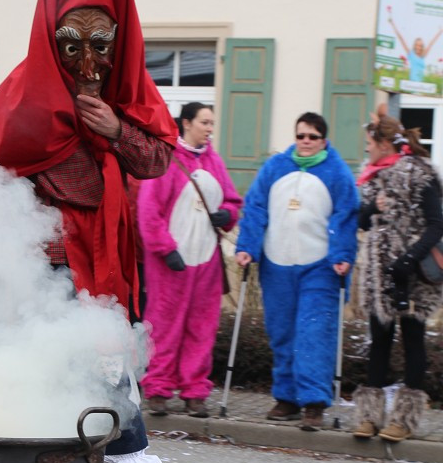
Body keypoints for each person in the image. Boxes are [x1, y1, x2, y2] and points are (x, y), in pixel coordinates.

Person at [0, 0, 227, 463]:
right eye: (71, 46)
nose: (88, 63)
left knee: (90, 373)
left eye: (101, 45)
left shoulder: (125, 94)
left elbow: (158, 159)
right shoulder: (20, 97)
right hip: (47, 267)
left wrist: (116, 130)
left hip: (104, 262)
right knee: (92, 370)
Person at [235, 112, 359, 431]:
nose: (306, 142)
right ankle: (287, 397)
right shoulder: (275, 167)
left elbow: (346, 214)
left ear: (324, 140)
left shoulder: (336, 171)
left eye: (312, 137)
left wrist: (343, 254)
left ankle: (314, 402)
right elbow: (255, 207)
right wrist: (247, 245)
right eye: (301, 136)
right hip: (277, 264)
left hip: (320, 267)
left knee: (314, 332)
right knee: (282, 331)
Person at [137, 102, 242, 417]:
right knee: (165, 325)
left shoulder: (215, 162)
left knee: (201, 327)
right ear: (186, 123)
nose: (210, 128)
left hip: (206, 260)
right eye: (205, 122)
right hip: (171, 261)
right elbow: (148, 210)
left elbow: (232, 201)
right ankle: (157, 389)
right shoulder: (166, 159)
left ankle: (195, 390)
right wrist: (165, 249)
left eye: (212, 122)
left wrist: (228, 214)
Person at [352, 107, 443, 442]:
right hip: (379, 275)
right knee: (378, 341)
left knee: (413, 342)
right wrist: (372, 208)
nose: (366, 149)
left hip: (414, 273)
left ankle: (403, 420)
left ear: (385, 143)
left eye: (369, 143)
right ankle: (369, 418)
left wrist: (408, 259)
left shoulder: (420, 173)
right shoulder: (371, 175)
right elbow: (361, 222)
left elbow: (437, 224)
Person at [387, 14, 443, 83]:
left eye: (420, 45)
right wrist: (393, 24)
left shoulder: (423, 56)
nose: (418, 47)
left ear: (422, 47)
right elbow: (401, 39)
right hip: (412, 83)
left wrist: (440, 32)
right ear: (414, 46)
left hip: (421, 84)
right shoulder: (411, 55)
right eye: (417, 45)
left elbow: (431, 43)